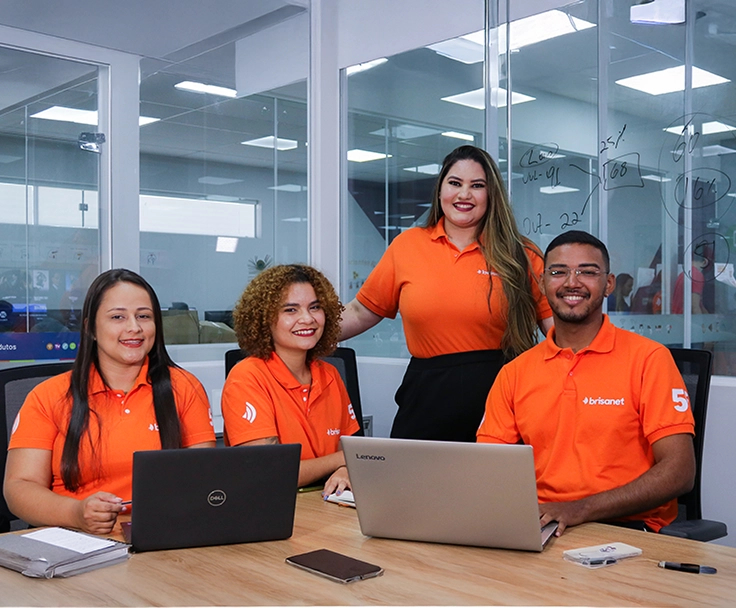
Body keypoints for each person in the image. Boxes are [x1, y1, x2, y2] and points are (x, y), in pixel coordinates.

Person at [477, 230, 695, 535]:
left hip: (628, 530)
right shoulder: (514, 372)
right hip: (540, 525)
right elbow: (489, 467)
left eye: (587, 272)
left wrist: (579, 509)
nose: (571, 282)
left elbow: (680, 472)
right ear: (542, 283)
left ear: (608, 284)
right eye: (558, 272)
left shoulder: (649, 360)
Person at [340, 145, 553, 442]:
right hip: (426, 396)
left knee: (489, 488)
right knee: (409, 486)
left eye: (477, 186)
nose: (464, 194)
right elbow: (361, 312)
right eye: (455, 183)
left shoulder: (522, 254)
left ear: (491, 195)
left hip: (499, 398)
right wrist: (301, 333)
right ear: (440, 190)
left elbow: (557, 330)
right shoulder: (408, 245)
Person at [4, 269, 216, 535]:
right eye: (117, 317)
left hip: (163, 536)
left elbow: (206, 479)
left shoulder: (184, 387)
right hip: (75, 540)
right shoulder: (48, 396)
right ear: (90, 328)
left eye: (144, 316)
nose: (134, 327)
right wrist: (76, 513)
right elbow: (19, 488)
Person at [221, 264, 360, 497]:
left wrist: (346, 468)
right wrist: (343, 459)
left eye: (314, 307)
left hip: (329, 503)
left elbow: (350, 450)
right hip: (271, 507)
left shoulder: (330, 374)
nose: (307, 319)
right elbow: (271, 472)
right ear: (264, 319)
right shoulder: (247, 377)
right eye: (290, 310)